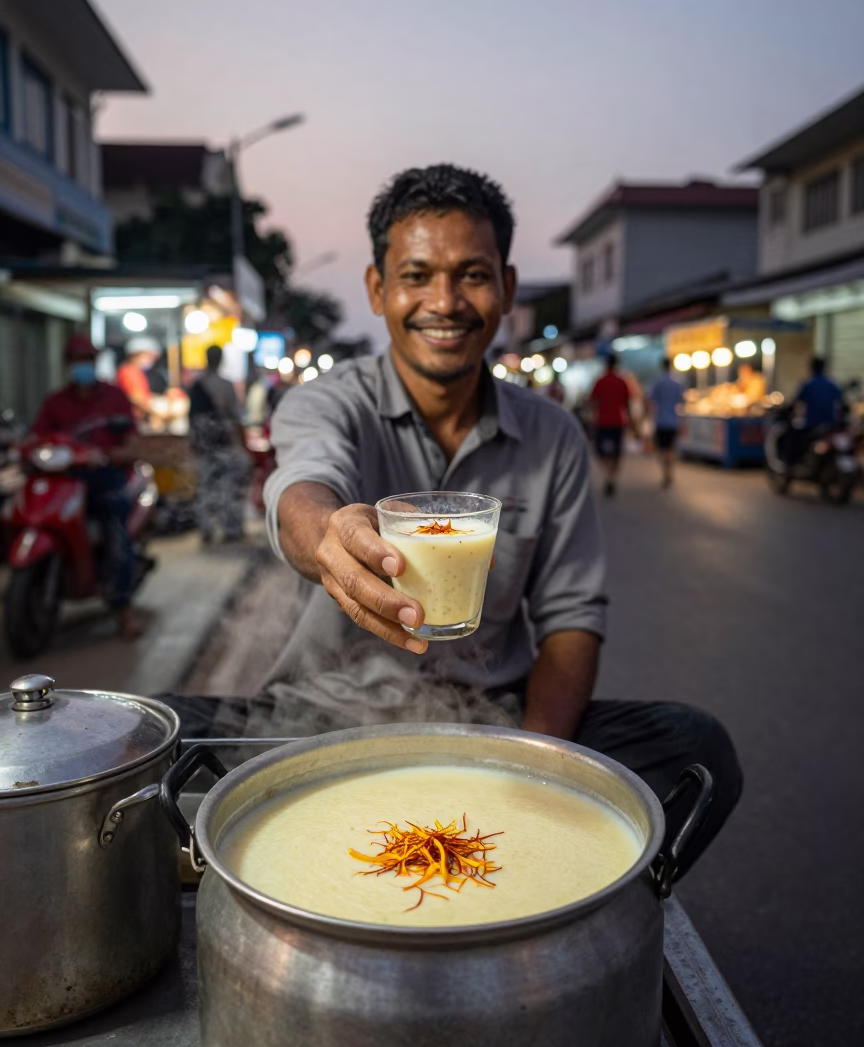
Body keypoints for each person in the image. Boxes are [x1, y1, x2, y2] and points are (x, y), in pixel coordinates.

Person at [160, 164, 742, 878]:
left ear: (504, 287)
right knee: (136, 744)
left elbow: (571, 617)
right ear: (378, 289)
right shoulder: (326, 403)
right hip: (319, 717)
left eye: (471, 274)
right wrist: (329, 537)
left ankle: (585, 909)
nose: (445, 302)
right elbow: (302, 490)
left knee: (697, 748)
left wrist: (533, 767)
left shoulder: (553, 435)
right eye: (417, 275)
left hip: (491, 720)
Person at [30, 333, 143, 639]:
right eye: (78, 361)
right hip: (66, 479)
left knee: (115, 525)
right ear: (68, 365)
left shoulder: (114, 397)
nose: (83, 367)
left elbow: (132, 443)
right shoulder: (55, 402)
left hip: (105, 479)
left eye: (88, 361)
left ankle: (124, 608)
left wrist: (110, 455)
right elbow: (36, 437)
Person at [188, 344, 249, 545]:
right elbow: (235, 417)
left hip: (205, 445)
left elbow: (192, 419)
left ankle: (207, 528)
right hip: (223, 444)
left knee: (206, 486)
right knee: (227, 486)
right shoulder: (225, 385)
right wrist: (242, 443)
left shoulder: (197, 385)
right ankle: (230, 529)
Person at [588, 353, 632, 496]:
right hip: (618, 421)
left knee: (601, 451)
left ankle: (608, 475)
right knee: (616, 452)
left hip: (602, 421)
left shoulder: (600, 381)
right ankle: (611, 477)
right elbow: (627, 404)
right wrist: (630, 421)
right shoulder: (621, 381)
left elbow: (593, 401)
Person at [648, 358, 685, 488]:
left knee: (662, 449)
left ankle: (665, 473)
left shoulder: (657, 383)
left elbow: (652, 404)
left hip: (661, 421)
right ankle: (669, 473)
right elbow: (681, 403)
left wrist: (651, 421)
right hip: (673, 421)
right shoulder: (677, 384)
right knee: (671, 448)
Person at [116, 337, 162, 424]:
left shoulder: (137, 372)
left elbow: (143, 395)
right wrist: (156, 411)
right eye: (148, 355)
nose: (151, 360)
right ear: (135, 355)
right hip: (131, 419)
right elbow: (134, 397)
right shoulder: (128, 372)